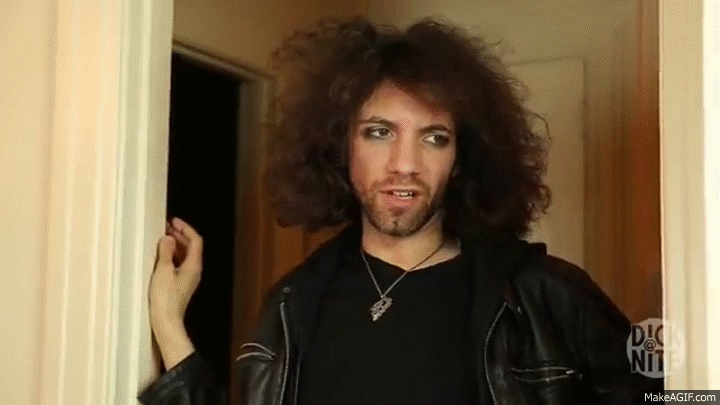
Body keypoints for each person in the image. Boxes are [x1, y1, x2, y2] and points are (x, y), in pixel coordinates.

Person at [139, 17, 662, 405]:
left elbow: (679, 394)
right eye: (379, 132)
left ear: (461, 159)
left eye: (434, 138)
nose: (405, 164)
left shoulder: (545, 294)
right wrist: (166, 319)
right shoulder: (292, 307)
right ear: (340, 146)